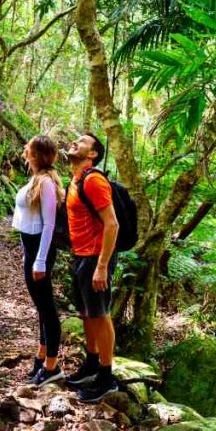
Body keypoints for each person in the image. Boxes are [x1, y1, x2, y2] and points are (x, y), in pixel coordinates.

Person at [63, 132, 121, 403]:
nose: (75, 141)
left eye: (82, 141)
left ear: (93, 153)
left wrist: (102, 266)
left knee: (100, 314)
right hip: (81, 256)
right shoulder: (75, 180)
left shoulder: (94, 180)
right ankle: (91, 363)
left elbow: (112, 224)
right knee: (87, 313)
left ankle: (106, 378)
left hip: (97, 257)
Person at [12, 135, 66, 388]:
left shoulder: (45, 183)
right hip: (31, 248)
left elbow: (49, 224)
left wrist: (40, 261)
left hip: (39, 250)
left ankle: (52, 366)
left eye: (29, 147)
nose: (25, 149)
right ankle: (42, 355)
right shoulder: (37, 178)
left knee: (47, 308)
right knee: (41, 307)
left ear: (37, 154)